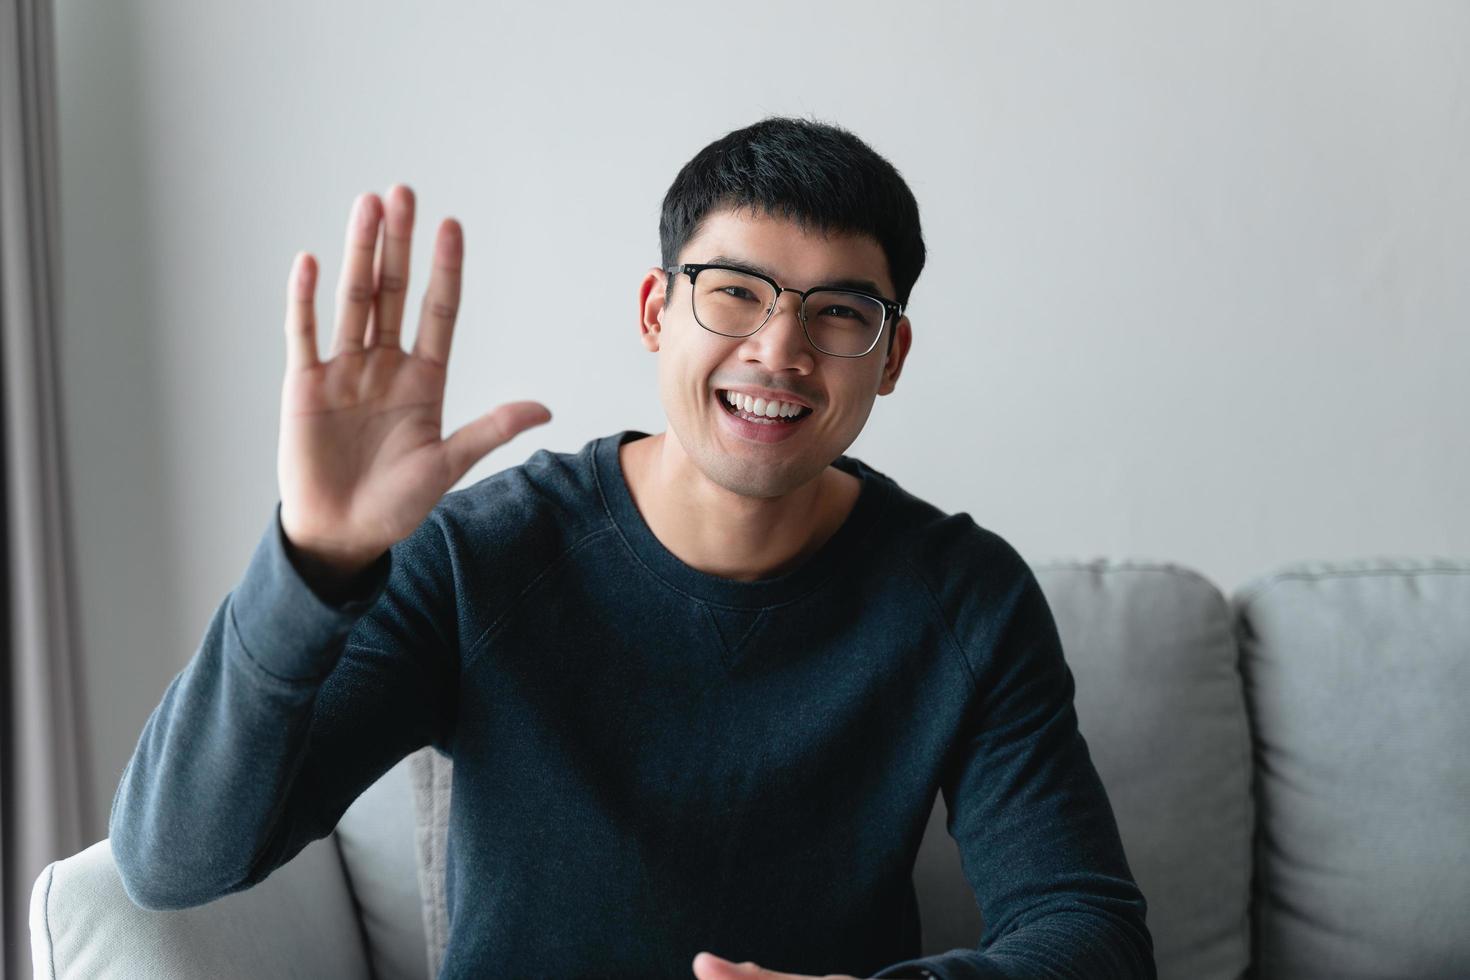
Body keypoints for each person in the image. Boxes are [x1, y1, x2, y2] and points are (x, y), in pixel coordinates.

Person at [108, 116, 1155, 979]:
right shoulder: (482, 559)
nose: (780, 351)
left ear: (890, 357)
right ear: (657, 310)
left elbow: (1091, 930)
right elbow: (172, 860)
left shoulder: (965, 597)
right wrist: (313, 563)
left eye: (840, 312)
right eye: (734, 291)